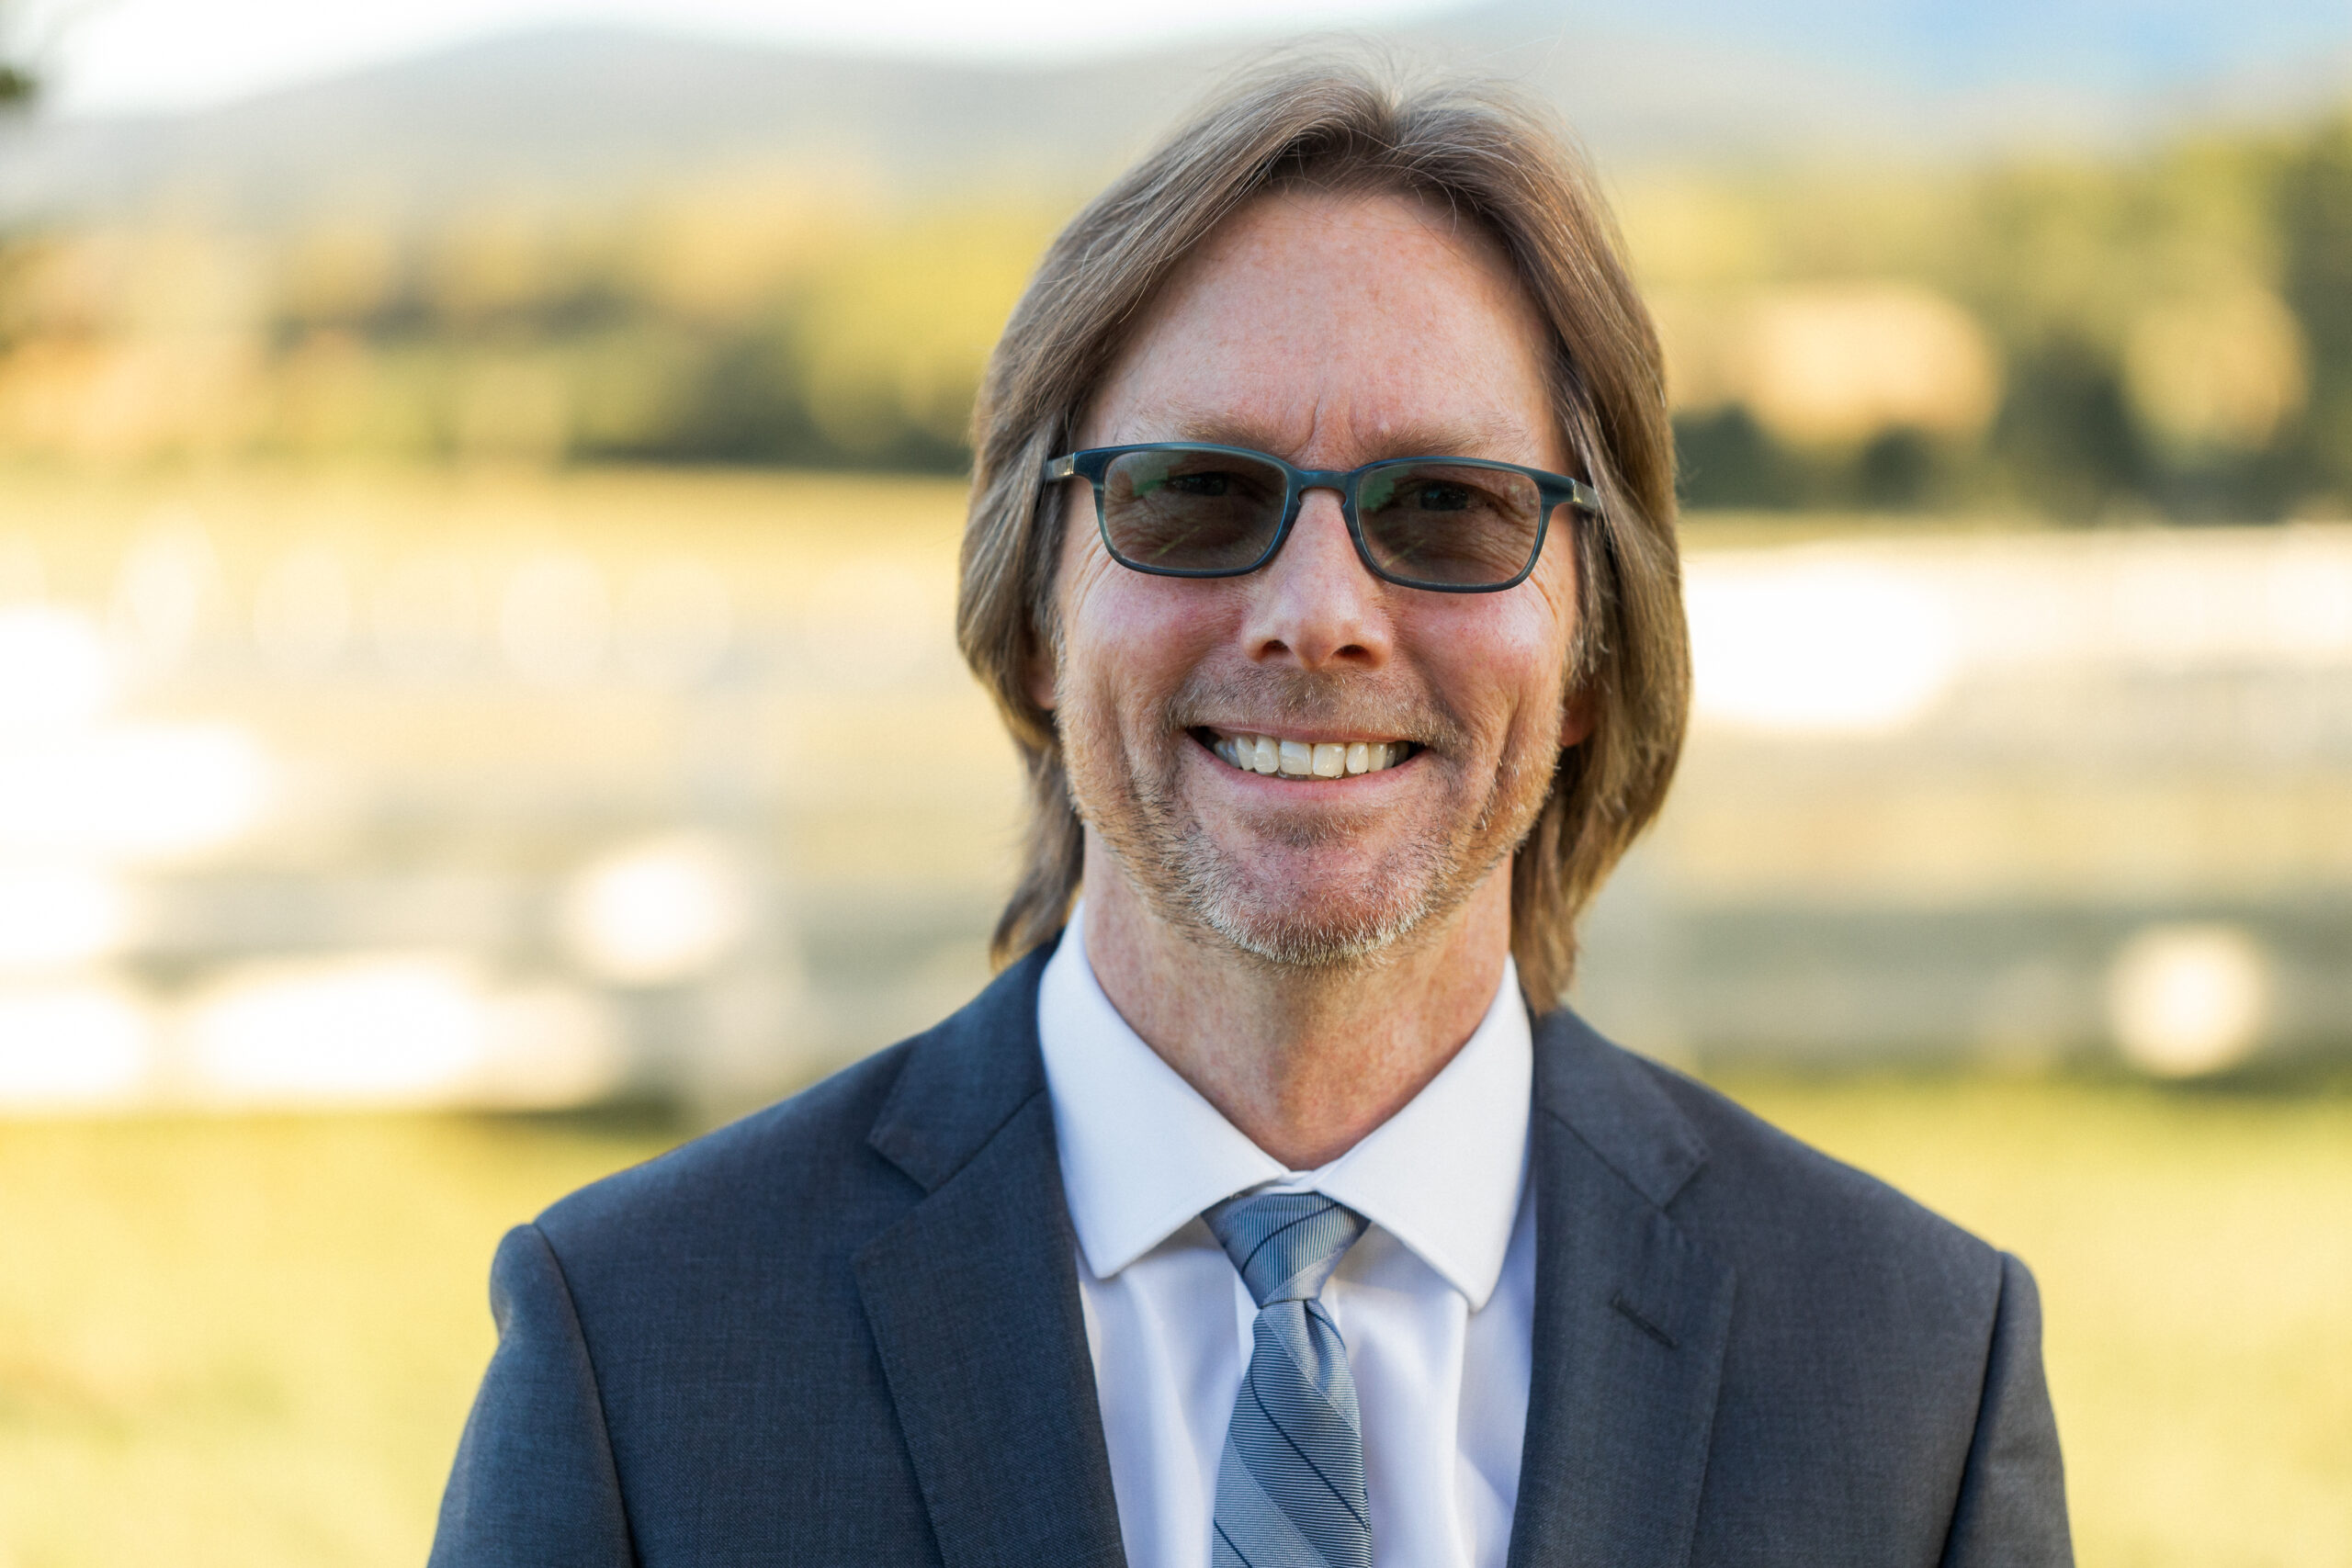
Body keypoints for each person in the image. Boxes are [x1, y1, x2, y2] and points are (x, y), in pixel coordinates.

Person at [429, 58, 2070, 1568]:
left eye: (1447, 509)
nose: (1319, 614)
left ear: (1590, 655)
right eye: (1197, 495)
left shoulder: (1912, 1372)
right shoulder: (637, 1356)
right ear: (1031, 617)